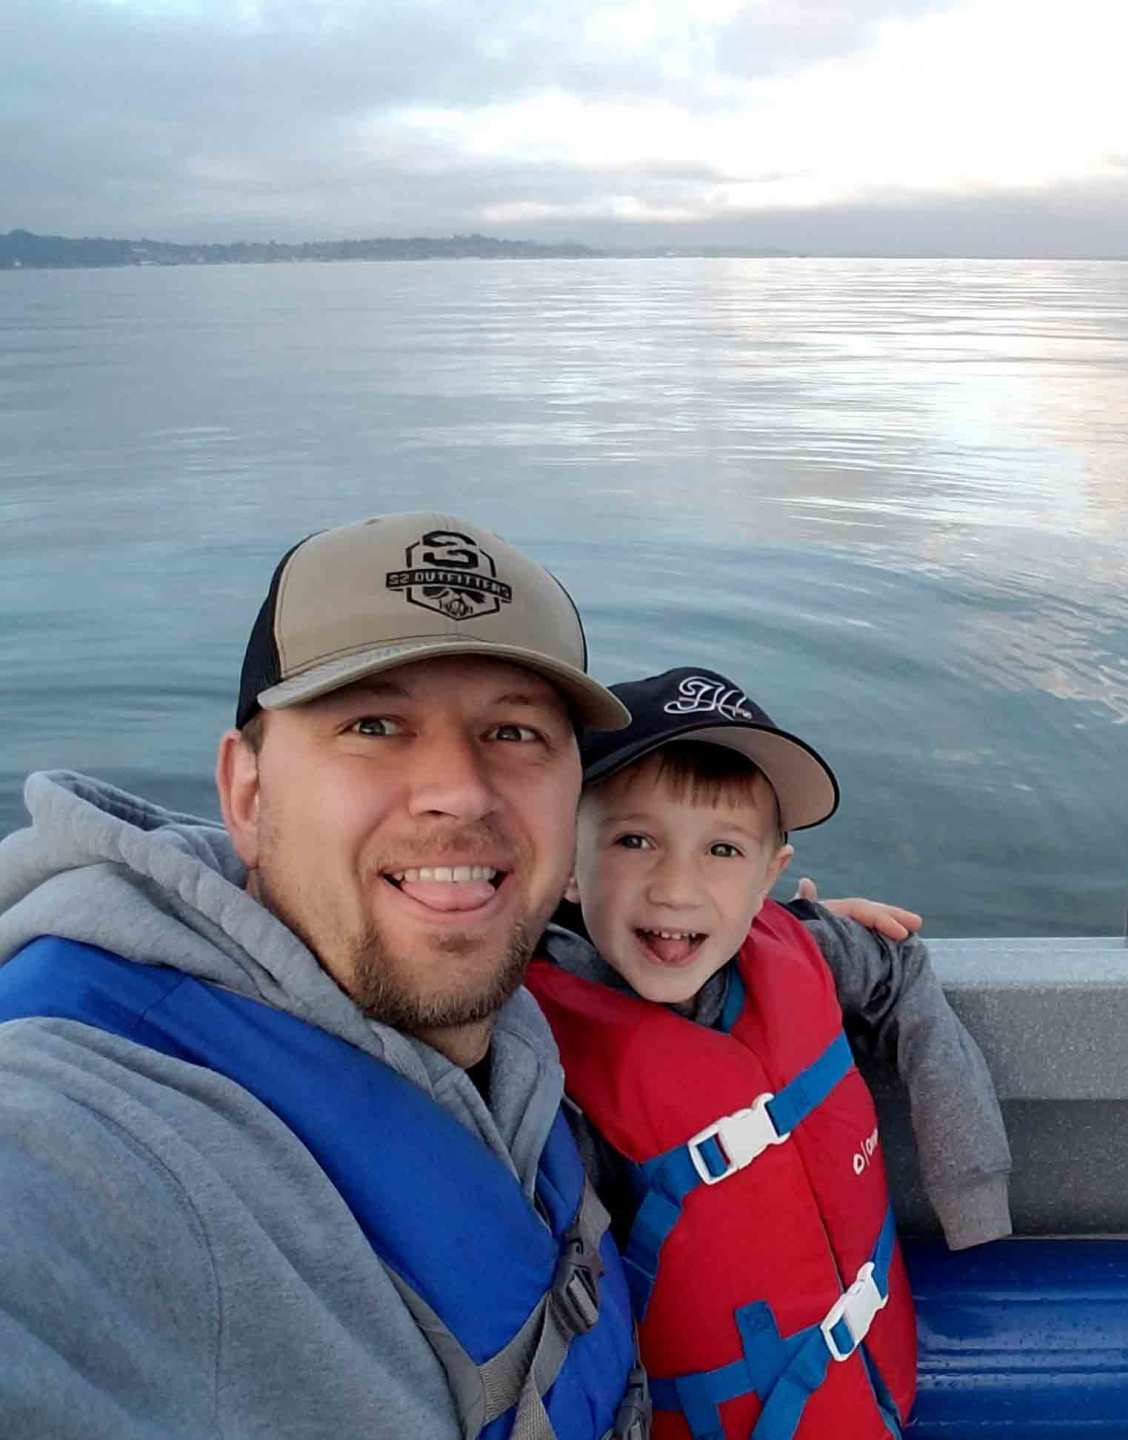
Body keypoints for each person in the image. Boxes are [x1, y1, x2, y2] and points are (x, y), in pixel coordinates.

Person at [0, 512, 648, 1439]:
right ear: (248, 795)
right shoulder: (94, 1121)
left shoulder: (547, 973)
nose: (461, 790)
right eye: (373, 725)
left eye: (514, 732)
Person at [528, 667, 1012, 1440]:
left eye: (723, 849)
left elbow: (899, 967)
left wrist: (971, 1185)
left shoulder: (802, 944)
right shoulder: (539, 1062)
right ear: (567, 866)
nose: (677, 888)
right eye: (634, 840)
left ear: (769, 878)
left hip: (873, 1396)